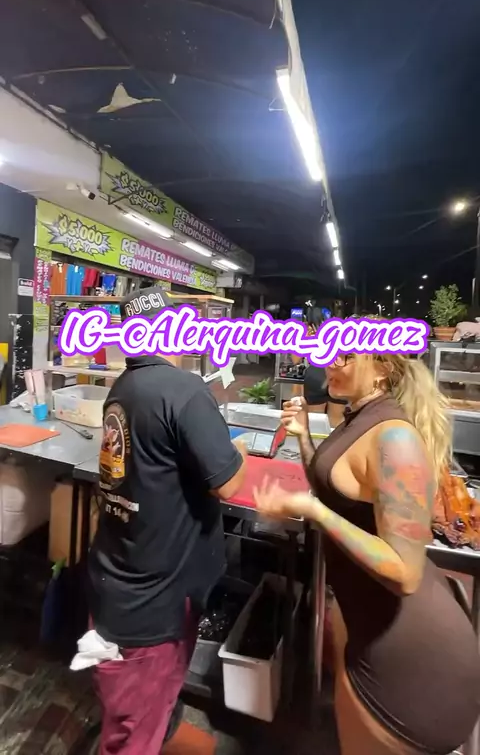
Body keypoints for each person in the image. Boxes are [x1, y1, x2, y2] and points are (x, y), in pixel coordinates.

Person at [254, 353, 480, 755]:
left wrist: (313, 512)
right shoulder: (359, 415)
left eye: (345, 356)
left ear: (382, 368)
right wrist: (303, 436)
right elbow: (335, 487)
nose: (329, 363)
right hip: (373, 628)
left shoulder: (394, 437)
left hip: (411, 660)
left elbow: (404, 572)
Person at [88, 287, 247, 755]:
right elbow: (228, 483)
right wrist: (236, 451)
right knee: (133, 736)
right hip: (155, 608)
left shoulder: (124, 386)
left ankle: (163, 731)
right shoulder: (184, 390)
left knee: (132, 717)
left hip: (116, 587)